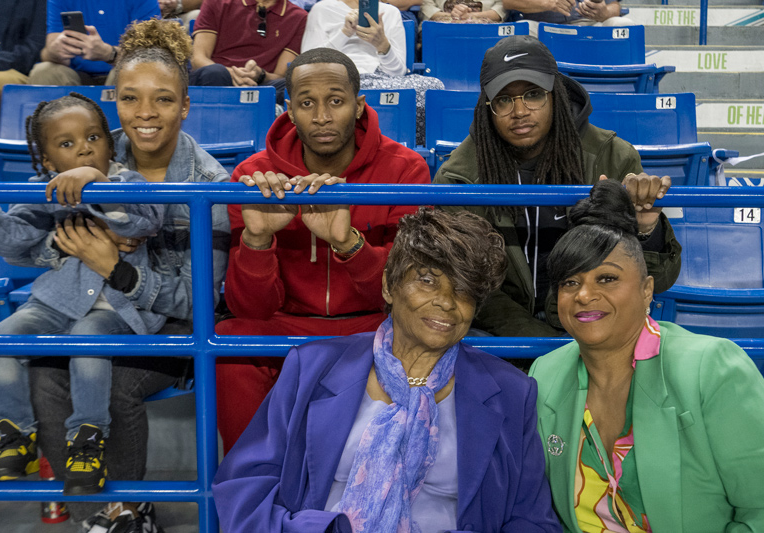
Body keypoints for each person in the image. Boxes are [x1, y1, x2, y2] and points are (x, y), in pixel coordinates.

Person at [213, 207, 562, 532]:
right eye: (427, 280)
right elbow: (244, 486)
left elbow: (531, 519)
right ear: (388, 286)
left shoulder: (512, 392)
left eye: (465, 290)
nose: (447, 301)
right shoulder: (312, 367)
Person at [27, 18, 231, 532]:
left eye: (163, 99)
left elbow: (196, 304)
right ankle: (98, 517)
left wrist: (114, 267)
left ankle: (131, 508)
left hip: (170, 332)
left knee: (112, 381)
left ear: (184, 106)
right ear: (113, 99)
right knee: (45, 371)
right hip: (93, 314)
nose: (145, 114)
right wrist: (67, 246)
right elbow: (42, 239)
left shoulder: (209, 184)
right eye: (131, 98)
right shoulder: (88, 148)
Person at [214, 47, 432, 453]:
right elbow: (251, 309)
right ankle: (251, 488)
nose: (322, 117)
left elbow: (404, 294)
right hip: (288, 324)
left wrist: (349, 245)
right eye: (307, 103)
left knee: (424, 336)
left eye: (336, 101)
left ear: (359, 105)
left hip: (373, 325)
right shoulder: (254, 177)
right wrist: (257, 240)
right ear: (289, 109)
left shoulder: (405, 170)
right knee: (231, 340)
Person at [528, 179, 764, 532]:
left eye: (606, 279)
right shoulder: (545, 374)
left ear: (646, 290)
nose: (584, 295)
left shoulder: (712, 368)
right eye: (570, 283)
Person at [0, 94, 164, 496]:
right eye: (67, 144)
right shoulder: (43, 190)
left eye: (93, 137)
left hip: (121, 309)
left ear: (110, 144)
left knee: (87, 338)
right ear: (48, 162)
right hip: (56, 302)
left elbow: (143, 222)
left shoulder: (126, 182)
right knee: (0, 340)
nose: (85, 147)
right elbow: (16, 240)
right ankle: (17, 435)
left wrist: (97, 186)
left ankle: (87, 438)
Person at [434, 36, 681, 338]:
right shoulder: (458, 176)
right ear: (488, 108)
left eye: (533, 94)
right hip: (502, 334)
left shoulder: (612, 157)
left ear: (556, 95)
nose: (520, 111)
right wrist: (542, 348)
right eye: (504, 99)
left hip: (593, 323)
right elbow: (470, 283)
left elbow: (659, 279)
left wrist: (646, 229)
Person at [301, 0, 445, 145]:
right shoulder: (321, 9)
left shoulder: (390, 12)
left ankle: (413, 148)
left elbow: (398, 72)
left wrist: (381, 43)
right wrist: (345, 33)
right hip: (337, 78)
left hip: (380, 79)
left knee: (432, 85)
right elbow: (308, 65)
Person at [189, 0, 308, 104]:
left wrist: (260, 75)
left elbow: (280, 75)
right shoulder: (216, 2)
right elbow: (198, 58)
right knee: (215, 73)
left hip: (260, 85)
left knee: (293, 85)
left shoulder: (299, 17)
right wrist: (231, 73)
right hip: (217, 79)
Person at [28, 0, 160, 86]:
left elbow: (149, 57)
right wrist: (56, 51)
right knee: (43, 72)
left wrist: (109, 53)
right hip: (77, 75)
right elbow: (47, 53)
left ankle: (119, 129)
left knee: (125, 72)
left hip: (121, 72)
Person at [503, 0, 633, 36]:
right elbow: (509, 2)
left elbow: (615, 5)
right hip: (542, 27)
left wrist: (605, 12)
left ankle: (622, 82)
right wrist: (549, 3)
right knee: (522, 29)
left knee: (624, 24)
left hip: (590, 25)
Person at [421, 0, 504, 23]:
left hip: (485, 26)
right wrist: (453, 16)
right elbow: (426, 6)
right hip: (442, 25)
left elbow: (500, 10)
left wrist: (470, 16)